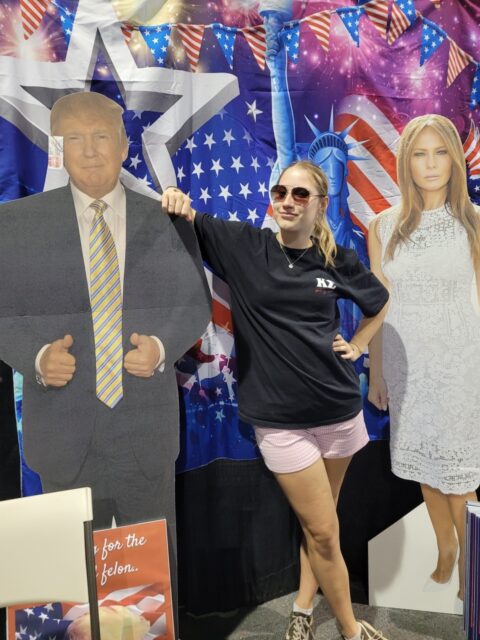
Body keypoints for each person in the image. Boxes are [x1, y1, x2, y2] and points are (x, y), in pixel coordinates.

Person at [0, 91, 211, 637]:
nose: (90, 150)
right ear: (59, 148)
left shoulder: (166, 218)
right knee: (70, 590)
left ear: (122, 146)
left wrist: (161, 347)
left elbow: (193, 303)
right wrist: (36, 357)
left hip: (145, 434)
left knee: (150, 593)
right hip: (63, 436)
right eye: (75, 139)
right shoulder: (17, 223)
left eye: (101, 137)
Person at [162, 160, 390, 640]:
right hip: (280, 422)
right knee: (324, 531)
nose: (287, 201)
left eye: (300, 194)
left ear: (321, 204)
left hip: (339, 413)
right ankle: (351, 629)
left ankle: (303, 607)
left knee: (321, 525)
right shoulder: (246, 246)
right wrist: (177, 200)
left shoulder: (336, 260)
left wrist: (360, 343)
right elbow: (189, 217)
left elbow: (380, 300)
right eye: (281, 191)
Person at [367, 114, 480, 601]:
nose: (431, 164)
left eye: (440, 153)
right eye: (420, 154)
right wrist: (376, 370)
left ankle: (472, 566)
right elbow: (378, 303)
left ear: (454, 160)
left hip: (460, 364)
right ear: (405, 163)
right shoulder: (382, 226)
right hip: (406, 363)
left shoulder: (474, 222)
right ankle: (445, 547)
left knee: (459, 477)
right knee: (424, 469)